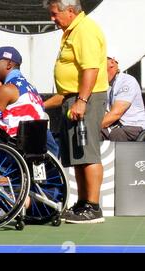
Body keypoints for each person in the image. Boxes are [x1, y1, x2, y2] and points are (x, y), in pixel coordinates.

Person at [44, 0, 108, 223]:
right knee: (79, 153)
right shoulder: (72, 30)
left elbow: (90, 68)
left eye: (54, 14)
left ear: (69, 11)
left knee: (88, 152)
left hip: (86, 99)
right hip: (72, 99)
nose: (52, 18)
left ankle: (93, 206)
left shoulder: (85, 30)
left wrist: (81, 100)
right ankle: (83, 204)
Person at [101, 54, 145, 141]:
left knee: (117, 133)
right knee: (89, 134)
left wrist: (93, 127)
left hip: (133, 126)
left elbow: (116, 114)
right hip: (115, 126)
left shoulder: (127, 81)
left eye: (100, 63)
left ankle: (121, 155)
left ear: (112, 63)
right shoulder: (105, 86)